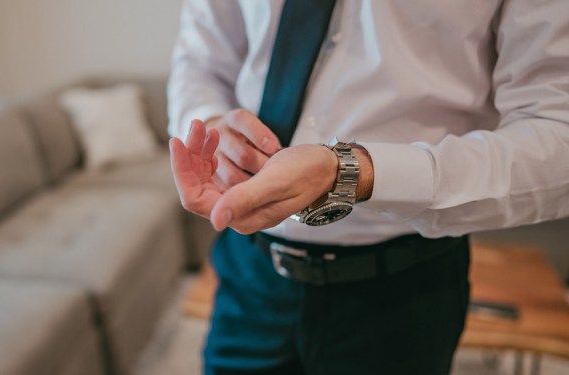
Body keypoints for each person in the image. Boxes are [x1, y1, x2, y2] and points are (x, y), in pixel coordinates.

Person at [168, 1, 569, 374]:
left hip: (403, 291)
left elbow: (557, 132)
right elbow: (200, 61)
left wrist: (352, 173)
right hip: (249, 272)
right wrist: (211, 128)